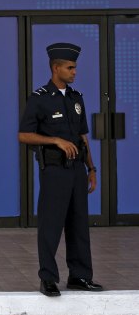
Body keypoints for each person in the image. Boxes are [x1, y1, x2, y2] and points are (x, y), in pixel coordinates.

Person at [18, 42, 103, 297]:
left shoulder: (77, 99)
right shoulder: (40, 99)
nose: (75, 72)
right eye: (70, 67)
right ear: (56, 68)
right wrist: (55, 140)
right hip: (54, 171)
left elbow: (82, 136)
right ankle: (48, 279)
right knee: (51, 225)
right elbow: (24, 135)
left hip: (77, 170)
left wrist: (91, 168)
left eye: (75, 67)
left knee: (79, 225)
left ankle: (79, 276)